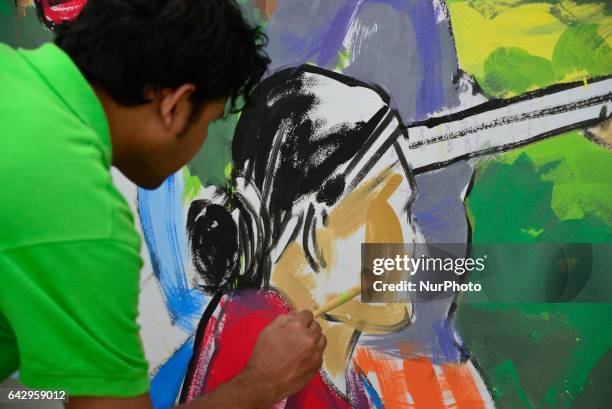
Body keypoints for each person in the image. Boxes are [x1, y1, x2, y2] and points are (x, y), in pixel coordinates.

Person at [0, 1, 326, 408]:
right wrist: (262, 383)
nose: (204, 140)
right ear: (174, 106)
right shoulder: (86, 221)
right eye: (209, 121)